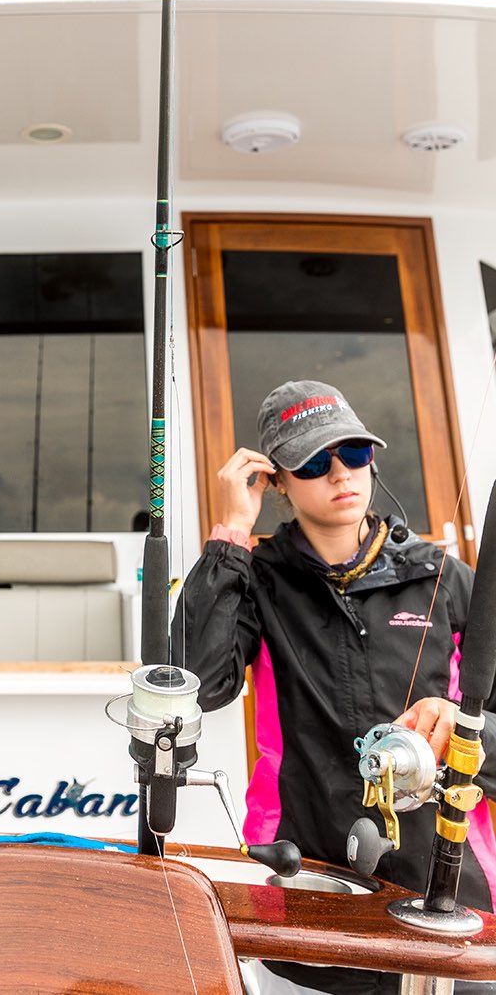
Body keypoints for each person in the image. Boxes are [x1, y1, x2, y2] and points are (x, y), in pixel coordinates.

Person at [171, 379, 496, 995]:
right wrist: (230, 532)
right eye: (315, 462)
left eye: (354, 453)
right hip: (309, 886)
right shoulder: (255, 577)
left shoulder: (447, 580)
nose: (340, 473)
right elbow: (196, 685)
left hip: (453, 892)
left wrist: (461, 732)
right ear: (278, 483)